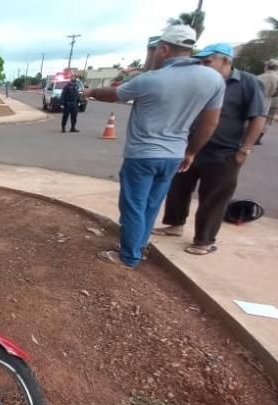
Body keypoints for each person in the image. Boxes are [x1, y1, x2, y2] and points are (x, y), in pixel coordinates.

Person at [82, 25, 225, 269]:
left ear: (164, 48)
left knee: (133, 206)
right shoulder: (212, 79)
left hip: (142, 155)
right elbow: (210, 123)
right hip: (175, 155)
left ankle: (128, 257)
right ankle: (138, 247)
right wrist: (191, 151)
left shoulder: (151, 79)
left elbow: (114, 94)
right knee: (150, 205)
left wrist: (92, 91)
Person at [153, 44, 267, 255]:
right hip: (190, 146)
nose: (202, 66)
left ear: (226, 61)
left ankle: (203, 240)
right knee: (178, 187)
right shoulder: (200, 81)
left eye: (207, 62)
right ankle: (175, 224)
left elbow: (258, 117)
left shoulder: (249, 83)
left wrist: (245, 149)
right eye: (200, 63)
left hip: (225, 151)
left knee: (214, 197)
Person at [255, 59, 278, 145]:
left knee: (257, 117)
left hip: (259, 99)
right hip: (275, 100)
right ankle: (259, 136)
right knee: (268, 119)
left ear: (267, 66)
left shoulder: (259, 76)